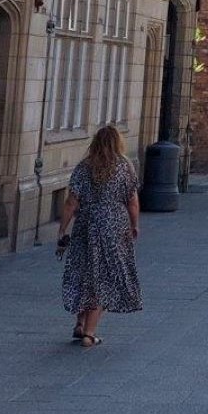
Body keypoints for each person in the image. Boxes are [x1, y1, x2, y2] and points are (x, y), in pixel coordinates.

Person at [56, 125, 142, 348]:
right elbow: (132, 201)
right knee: (105, 276)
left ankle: (80, 323)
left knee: (84, 271)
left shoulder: (85, 167)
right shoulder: (124, 167)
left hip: (86, 223)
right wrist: (135, 225)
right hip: (114, 226)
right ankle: (89, 333)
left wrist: (62, 229)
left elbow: (71, 202)